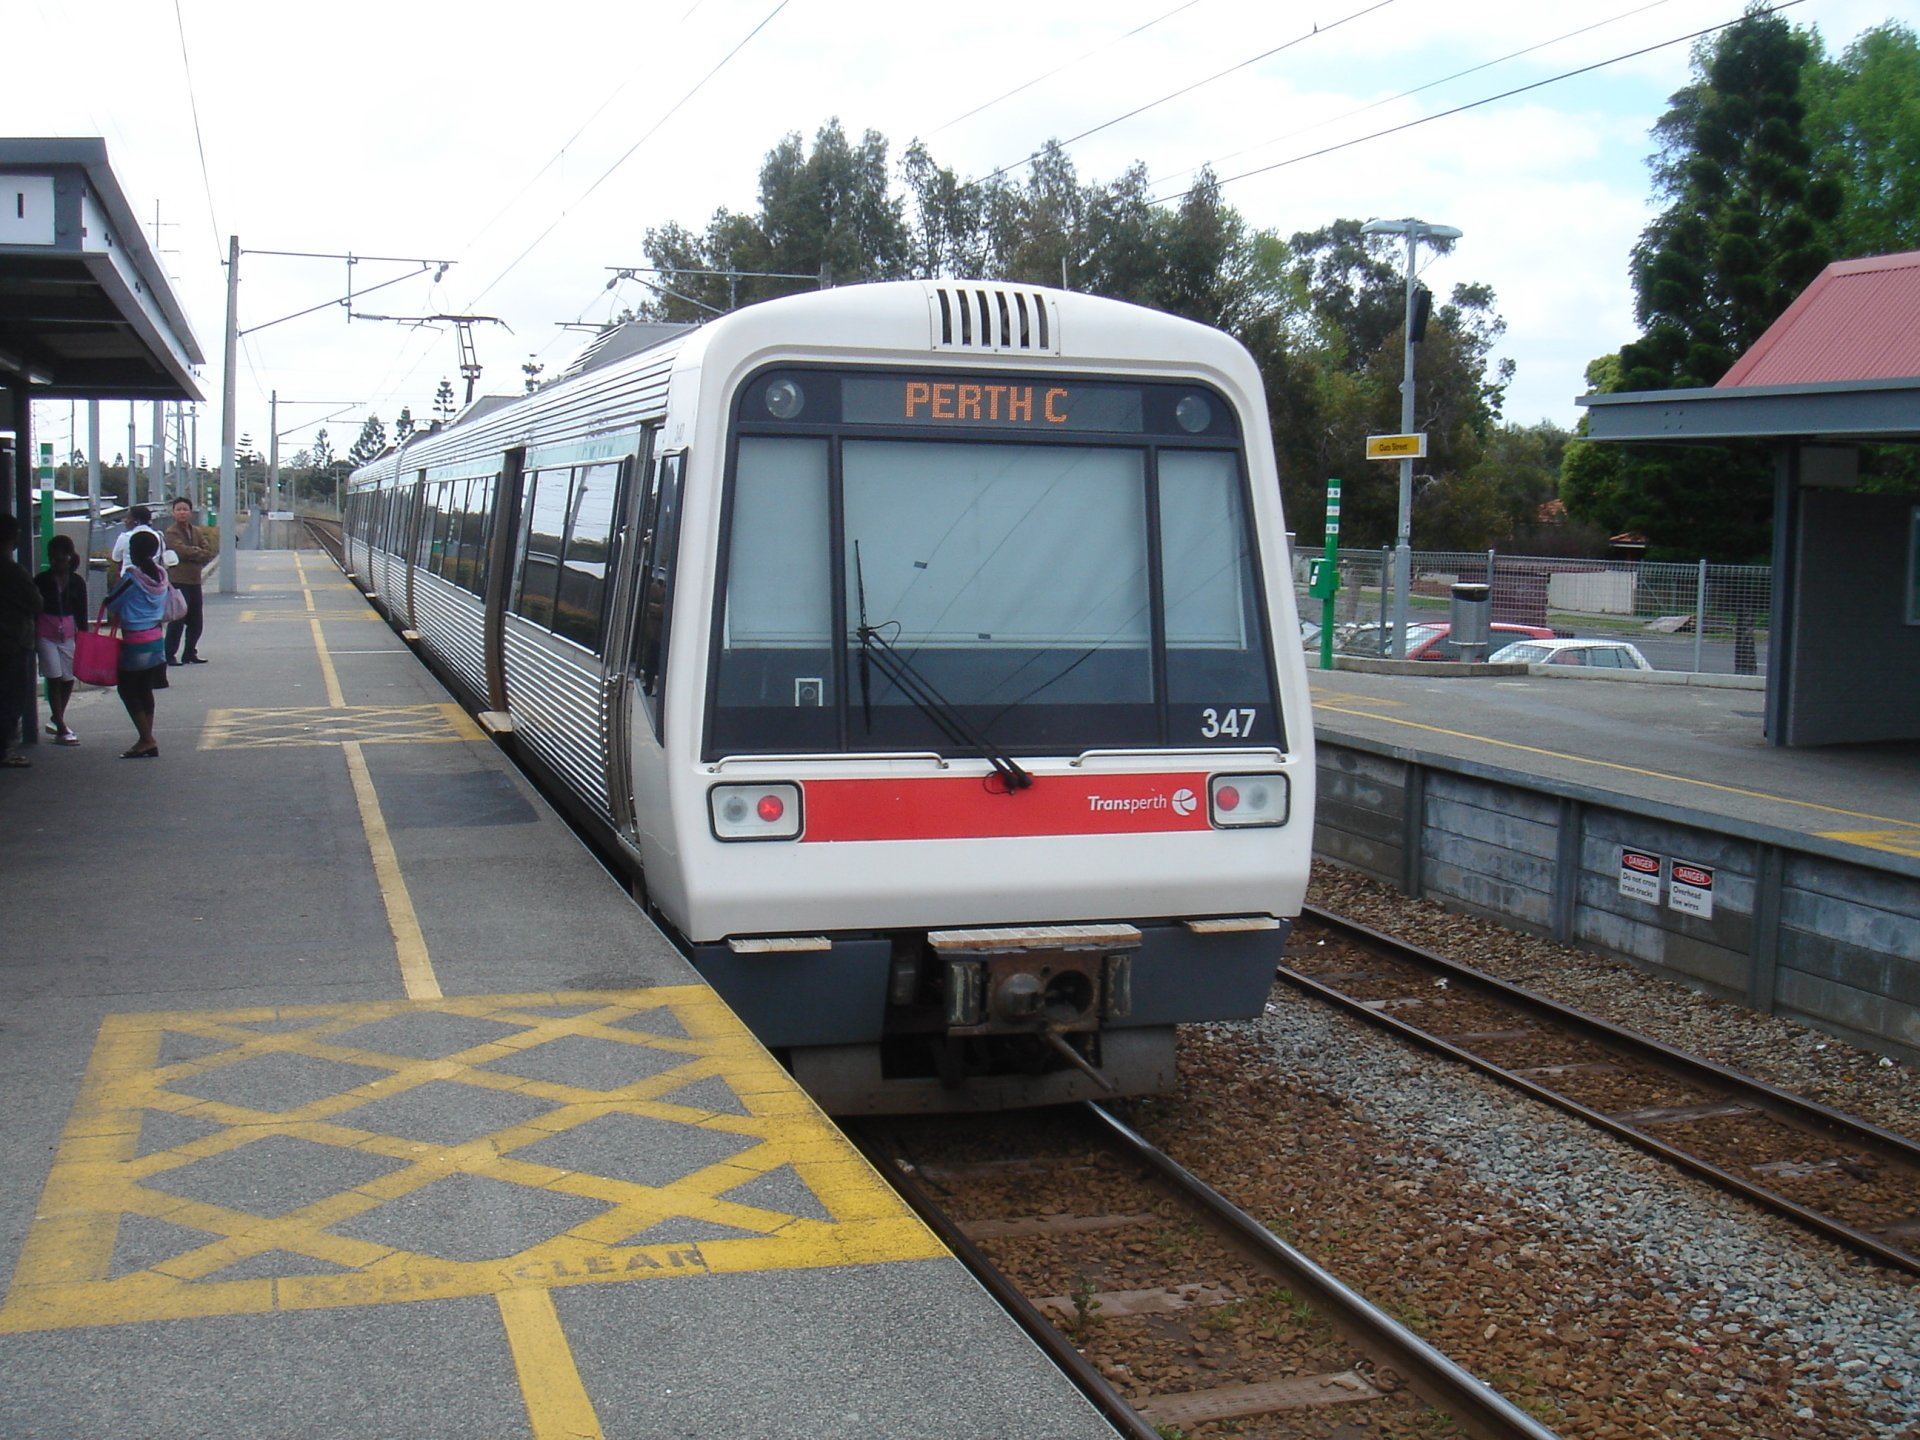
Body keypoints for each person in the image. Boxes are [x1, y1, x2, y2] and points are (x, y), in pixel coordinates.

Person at [101, 529, 170, 759]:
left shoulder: (132, 578)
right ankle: (145, 737)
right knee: (145, 689)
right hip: (156, 639)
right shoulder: (161, 575)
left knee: (128, 689)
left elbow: (112, 603)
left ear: (133, 551)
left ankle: (147, 738)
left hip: (135, 640)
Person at [34, 533, 90, 745]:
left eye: (60, 558)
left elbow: (82, 613)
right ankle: (61, 726)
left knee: (68, 677)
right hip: (45, 633)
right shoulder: (41, 580)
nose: (55, 562)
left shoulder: (76, 582)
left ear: (69, 557)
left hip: (67, 633)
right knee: (54, 676)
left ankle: (57, 719)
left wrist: (84, 637)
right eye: (52, 558)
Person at [0, 512, 42, 769]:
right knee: (10, 697)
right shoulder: (13, 572)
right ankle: (5, 748)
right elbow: (36, 602)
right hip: (12, 641)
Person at [162, 496, 216, 664]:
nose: (182, 513)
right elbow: (180, 551)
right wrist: (197, 552)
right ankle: (169, 654)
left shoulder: (196, 531)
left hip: (194, 580)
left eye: (185, 509)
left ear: (190, 512)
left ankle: (190, 652)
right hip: (179, 581)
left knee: (196, 621)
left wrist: (195, 553)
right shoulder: (171, 532)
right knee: (177, 620)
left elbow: (207, 550)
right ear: (173, 513)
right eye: (178, 509)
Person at [109, 505, 173, 581]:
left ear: (136, 521)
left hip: (130, 582)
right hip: (154, 581)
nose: (125, 521)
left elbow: (116, 558)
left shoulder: (124, 537)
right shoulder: (159, 536)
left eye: (128, 518)